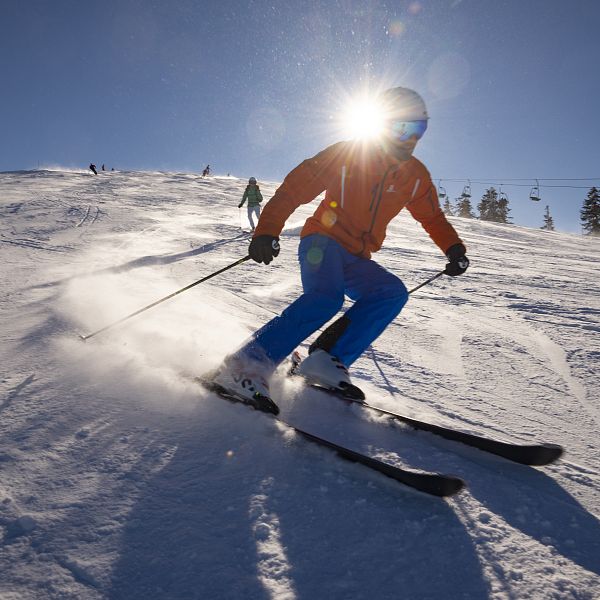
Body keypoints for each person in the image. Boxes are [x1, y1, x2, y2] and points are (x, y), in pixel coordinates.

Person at [211, 87, 470, 408]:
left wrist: (453, 248)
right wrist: (266, 231)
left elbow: (432, 216)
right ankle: (243, 366)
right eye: (401, 127)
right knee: (325, 299)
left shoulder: (415, 177)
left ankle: (324, 360)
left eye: (418, 129)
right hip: (322, 241)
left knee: (390, 293)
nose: (410, 138)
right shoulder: (350, 153)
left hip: (357, 257)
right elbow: (295, 188)